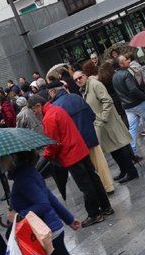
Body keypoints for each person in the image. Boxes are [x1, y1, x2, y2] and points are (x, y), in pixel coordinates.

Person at [7, 151, 123, 255]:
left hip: (48, 236)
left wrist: (18, 215)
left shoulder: (23, 178)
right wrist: (68, 218)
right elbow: (49, 197)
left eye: (3, 158)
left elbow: (44, 204)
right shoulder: (29, 172)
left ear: (14, 157)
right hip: (42, 235)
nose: (0, 162)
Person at [39, 81, 111, 226]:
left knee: (85, 184)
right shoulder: (71, 100)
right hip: (82, 145)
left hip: (71, 153)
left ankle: (94, 214)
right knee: (93, 178)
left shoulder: (52, 113)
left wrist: (46, 156)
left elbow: (54, 142)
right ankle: (106, 207)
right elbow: (91, 115)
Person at [74, 68, 138, 183]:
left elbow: (107, 101)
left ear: (85, 76)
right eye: (76, 80)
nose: (78, 80)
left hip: (108, 122)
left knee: (119, 147)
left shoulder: (94, 84)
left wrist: (102, 117)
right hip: (102, 125)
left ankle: (132, 172)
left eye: (80, 77)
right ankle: (124, 170)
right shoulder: (84, 89)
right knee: (113, 149)